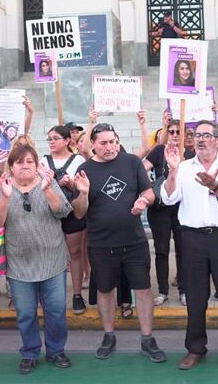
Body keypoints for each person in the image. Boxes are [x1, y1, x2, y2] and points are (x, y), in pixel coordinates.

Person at [70, 123, 166, 363]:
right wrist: (82, 193)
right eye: (103, 143)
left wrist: (143, 201)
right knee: (105, 290)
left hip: (134, 241)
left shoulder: (132, 162)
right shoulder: (84, 169)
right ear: (93, 144)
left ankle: (147, 339)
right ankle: (109, 335)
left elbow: (150, 193)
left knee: (143, 289)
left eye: (113, 141)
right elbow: (80, 213)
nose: (110, 147)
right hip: (101, 243)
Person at [161, 120, 218, 371]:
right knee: (195, 296)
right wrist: (173, 171)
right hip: (192, 237)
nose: (199, 139)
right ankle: (195, 348)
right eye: (196, 135)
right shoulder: (185, 166)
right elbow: (168, 197)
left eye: (205, 135)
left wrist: (216, 186)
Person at [0, 145, 72, 374]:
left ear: (36, 165)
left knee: (55, 311)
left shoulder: (48, 182)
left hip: (52, 260)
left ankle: (56, 350)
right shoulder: (3, 186)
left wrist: (47, 191)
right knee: (25, 313)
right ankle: (30, 352)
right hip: (19, 263)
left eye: (30, 161)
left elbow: (63, 211)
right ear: (11, 167)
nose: (25, 165)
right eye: (19, 162)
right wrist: (5, 199)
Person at [143, 120, 194, 307]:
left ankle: (184, 290)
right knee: (161, 250)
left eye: (177, 131)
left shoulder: (190, 153)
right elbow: (141, 170)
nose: (174, 134)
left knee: (183, 250)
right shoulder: (158, 151)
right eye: (170, 131)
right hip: (159, 207)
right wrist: (149, 189)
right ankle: (163, 291)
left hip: (183, 208)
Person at [42, 125, 88, 315]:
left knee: (75, 253)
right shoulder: (43, 161)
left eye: (55, 138)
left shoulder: (79, 160)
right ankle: (54, 296)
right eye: (49, 139)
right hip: (50, 213)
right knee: (52, 255)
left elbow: (84, 187)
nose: (51, 142)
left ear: (67, 140)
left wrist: (70, 183)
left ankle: (77, 294)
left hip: (72, 212)